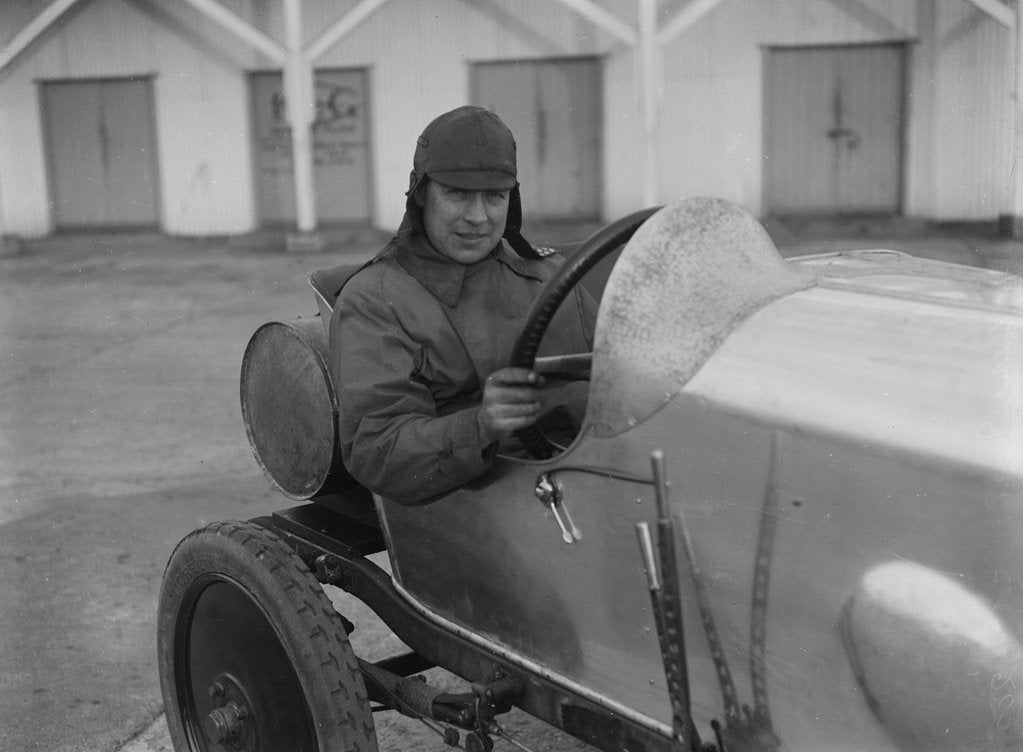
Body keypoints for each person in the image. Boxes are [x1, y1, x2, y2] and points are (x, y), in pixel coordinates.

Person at [329, 105, 597, 504]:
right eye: (456, 194)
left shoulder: (552, 275)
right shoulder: (376, 299)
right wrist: (481, 425)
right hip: (477, 510)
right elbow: (376, 450)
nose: (478, 217)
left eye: (494, 197)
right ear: (421, 194)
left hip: (592, 481)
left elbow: (618, 379)